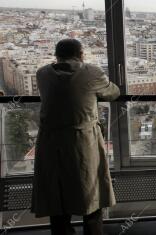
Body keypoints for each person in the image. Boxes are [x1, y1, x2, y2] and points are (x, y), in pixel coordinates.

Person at [32, 38, 120, 235]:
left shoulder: (42, 74)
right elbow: (113, 93)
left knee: (58, 198)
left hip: (50, 142)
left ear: (57, 55)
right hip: (83, 141)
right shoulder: (92, 73)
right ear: (81, 55)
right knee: (92, 195)